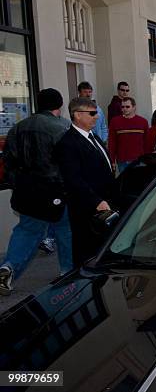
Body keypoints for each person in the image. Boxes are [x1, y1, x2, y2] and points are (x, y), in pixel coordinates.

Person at [0, 89, 73, 296]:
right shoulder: (63, 127)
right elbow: (69, 162)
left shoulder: (17, 128)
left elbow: (8, 162)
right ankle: (67, 271)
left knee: (27, 230)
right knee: (65, 230)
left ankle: (8, 268)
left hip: (27, 190)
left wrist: (19, 184)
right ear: (58, 106)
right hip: (56, 190)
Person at [55, 97, 116, 267]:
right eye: (92, 113)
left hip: (104, 205)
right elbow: (73, 179)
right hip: (87, 210)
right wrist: (96, 201)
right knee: (87, 253)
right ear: (77, 115)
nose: (97, 117)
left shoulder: (93, 136)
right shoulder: (68, 143)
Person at [107, 97, 149, 173]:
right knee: (125, 183)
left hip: (139, 161)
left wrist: (147, 159)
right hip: (122, 161)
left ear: (134, 107)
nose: (124, 109)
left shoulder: (143, 122)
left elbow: (147, 143)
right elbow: (112, 143)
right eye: (122, 107)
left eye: (127, 107)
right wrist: (111, 160)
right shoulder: (115, 122)